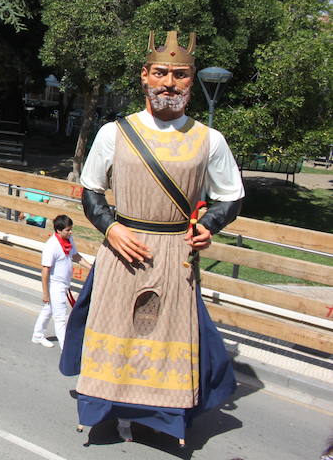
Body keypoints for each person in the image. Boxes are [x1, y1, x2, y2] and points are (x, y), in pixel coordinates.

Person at [59, 31, 245, 447]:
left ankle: (165, 420)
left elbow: (231, 195)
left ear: (190, 81)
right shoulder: (114, 133)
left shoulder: (209, 140)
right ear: (144, 76)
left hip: (176, 254)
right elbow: (90, 190)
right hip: (122, 250)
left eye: (179, 75)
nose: (168, 82)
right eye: (160, 72)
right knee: (117, 331)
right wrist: (111, 227)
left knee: (166, 337)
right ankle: (104, 411)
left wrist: (207, 225)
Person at [31, 215, 82, 350]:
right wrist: (46, 293)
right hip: (55, 286)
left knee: (48, 310)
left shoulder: (69, 239)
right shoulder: (51, 246)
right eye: (67, 230)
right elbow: (45, 271)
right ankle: (66, 349)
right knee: (60, 318)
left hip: (64, 284)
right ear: (58, 230)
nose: (70, 232)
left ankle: (37, 335)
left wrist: (93, 267)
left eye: (71, 229)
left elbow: (76, 256)